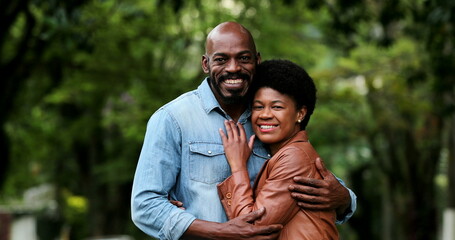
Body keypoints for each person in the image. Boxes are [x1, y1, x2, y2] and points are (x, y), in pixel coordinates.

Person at [131, 21, 356, 240]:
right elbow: (145, 206)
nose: (233, 68)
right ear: (205, 64)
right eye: (221, 59)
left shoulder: (268, 119)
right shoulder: (173, 118)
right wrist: (219, 231)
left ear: (257, 61)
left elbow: (303, 171)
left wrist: (344, 199)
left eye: (243, 58)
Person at [218, 59, 338, 239]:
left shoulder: (294, 157)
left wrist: (238, 166)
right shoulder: (288, 154)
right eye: (258, 107)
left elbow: (251, 228)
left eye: (277, 107)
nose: (265, 115)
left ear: (300, 113)